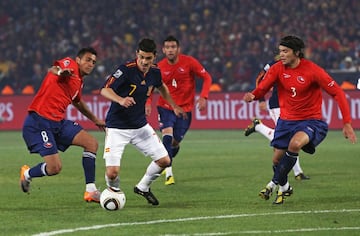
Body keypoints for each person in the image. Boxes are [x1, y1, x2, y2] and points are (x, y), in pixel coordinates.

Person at [243, 35, 357, 204]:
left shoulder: (312, 70)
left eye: (285, 51)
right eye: (280, 51)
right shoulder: (277, 69)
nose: (281, 55)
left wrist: (346, 122)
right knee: (276, 160)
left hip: (310, 121)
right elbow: (263, 88)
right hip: (286, 121)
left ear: (296, 52)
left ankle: (272, 183)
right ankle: (286, 187)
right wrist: (254, 95)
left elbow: (338, 93)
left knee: (295, 145)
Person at [100, 38, 186, 206]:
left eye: (148, 58)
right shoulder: (125, 70)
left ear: (154, 56)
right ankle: (113, 192)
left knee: (164, 161)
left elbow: (162, 87)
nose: (144, 61)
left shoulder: (155, 71)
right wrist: (120, 99)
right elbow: (105, 89)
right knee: (112, 173)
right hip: (117, 127)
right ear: (136, 55)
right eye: (141, 57)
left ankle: (143, 187)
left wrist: (174, 105)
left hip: (140, 126)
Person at [20, 47, 105, 203]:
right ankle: (27, 174)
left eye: (93, 62)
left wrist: (95, 119)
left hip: (58, 122)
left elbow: (78, 102)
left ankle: (90, 191)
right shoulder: (70, 65)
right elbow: (54, 69)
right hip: (40, 121)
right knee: (54, 168)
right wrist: (61, 72)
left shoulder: (79, 82)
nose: (91, 64)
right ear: (78, 60)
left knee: (91, 143)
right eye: (87, 60)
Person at [146, 35, 212, 185]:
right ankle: (168, 171)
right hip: (166, 107)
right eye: (167, 47)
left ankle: (167, 159)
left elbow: (207, 77)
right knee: (167, 137)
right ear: (163, 50)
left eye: (173, 47)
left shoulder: (189, 62)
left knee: (175, 143)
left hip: (185, 111)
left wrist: (203, 97)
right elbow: (150, 87)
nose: (170, 50)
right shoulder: (159, 67)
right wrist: (148, 102)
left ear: (178, 49)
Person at [244, 56, 310, 181]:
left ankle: (258, 126)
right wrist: (261, 98)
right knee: (289, 138)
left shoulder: (299, 65)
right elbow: (260, 78)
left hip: (292, 106)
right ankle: (298, 173)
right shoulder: (274, 64)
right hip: (278, 105)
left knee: (290, 137)